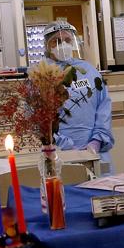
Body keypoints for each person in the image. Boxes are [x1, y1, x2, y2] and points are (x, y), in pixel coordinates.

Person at [42, 21, 112, 170]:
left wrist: (97, 141)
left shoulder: (88, 70)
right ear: (47, 45)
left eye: (67, 40)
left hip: (94, 151)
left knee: (102, 188)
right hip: (59, 153)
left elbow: (103, 107)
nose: (63, 45)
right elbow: (38, 120)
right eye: (57, 41)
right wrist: (67, 146)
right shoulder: (41, 75)